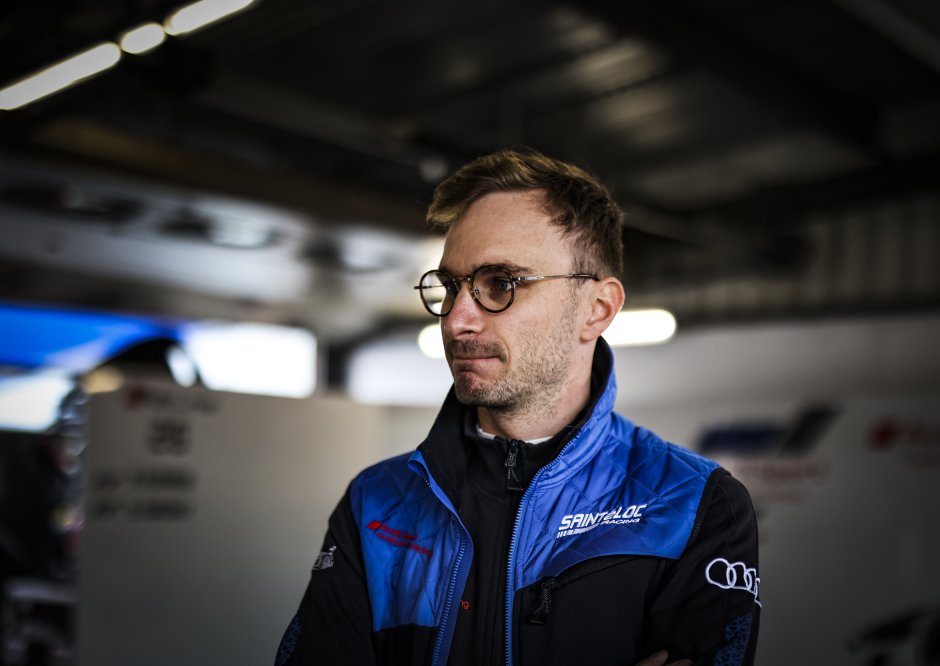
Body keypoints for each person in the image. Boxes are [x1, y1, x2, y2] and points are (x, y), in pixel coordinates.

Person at [276, 149, 760, 666]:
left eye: (500, 284)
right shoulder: (376, 502)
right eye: (451, 286)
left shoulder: (695, 505)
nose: (456, 320)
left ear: (597, 309)